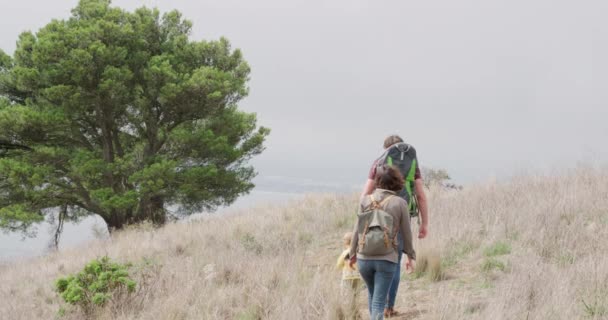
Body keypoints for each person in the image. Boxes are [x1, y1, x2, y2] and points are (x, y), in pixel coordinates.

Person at [361, 134, 429, 317]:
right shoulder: (412, 164)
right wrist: (425, 224)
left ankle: (376, 307)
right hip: (401, 216)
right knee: (395, 262)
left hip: (378, 217)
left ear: (386, 149)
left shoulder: (378, 163)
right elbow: (421, 195)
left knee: (375, 258)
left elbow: (366, 193)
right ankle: (388, 307)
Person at [349, 165, 416, 320]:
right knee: (379, 301)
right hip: (387, 258)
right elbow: (407, 233)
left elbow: (356, 230)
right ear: (397, 181)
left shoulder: (365, 200)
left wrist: (352, 254)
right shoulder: (400, 203)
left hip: (364, 258)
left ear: (378, 181)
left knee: (373, 297)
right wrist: (410, 256)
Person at [336, 232, 363, 312]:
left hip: (347, 277)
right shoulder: (358, 252)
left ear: (346, 241)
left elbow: (338, 264)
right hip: (358, 277)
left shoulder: (345, 253)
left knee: (346, 296)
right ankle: (355, 311)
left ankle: (348, 312)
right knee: (356, 296)